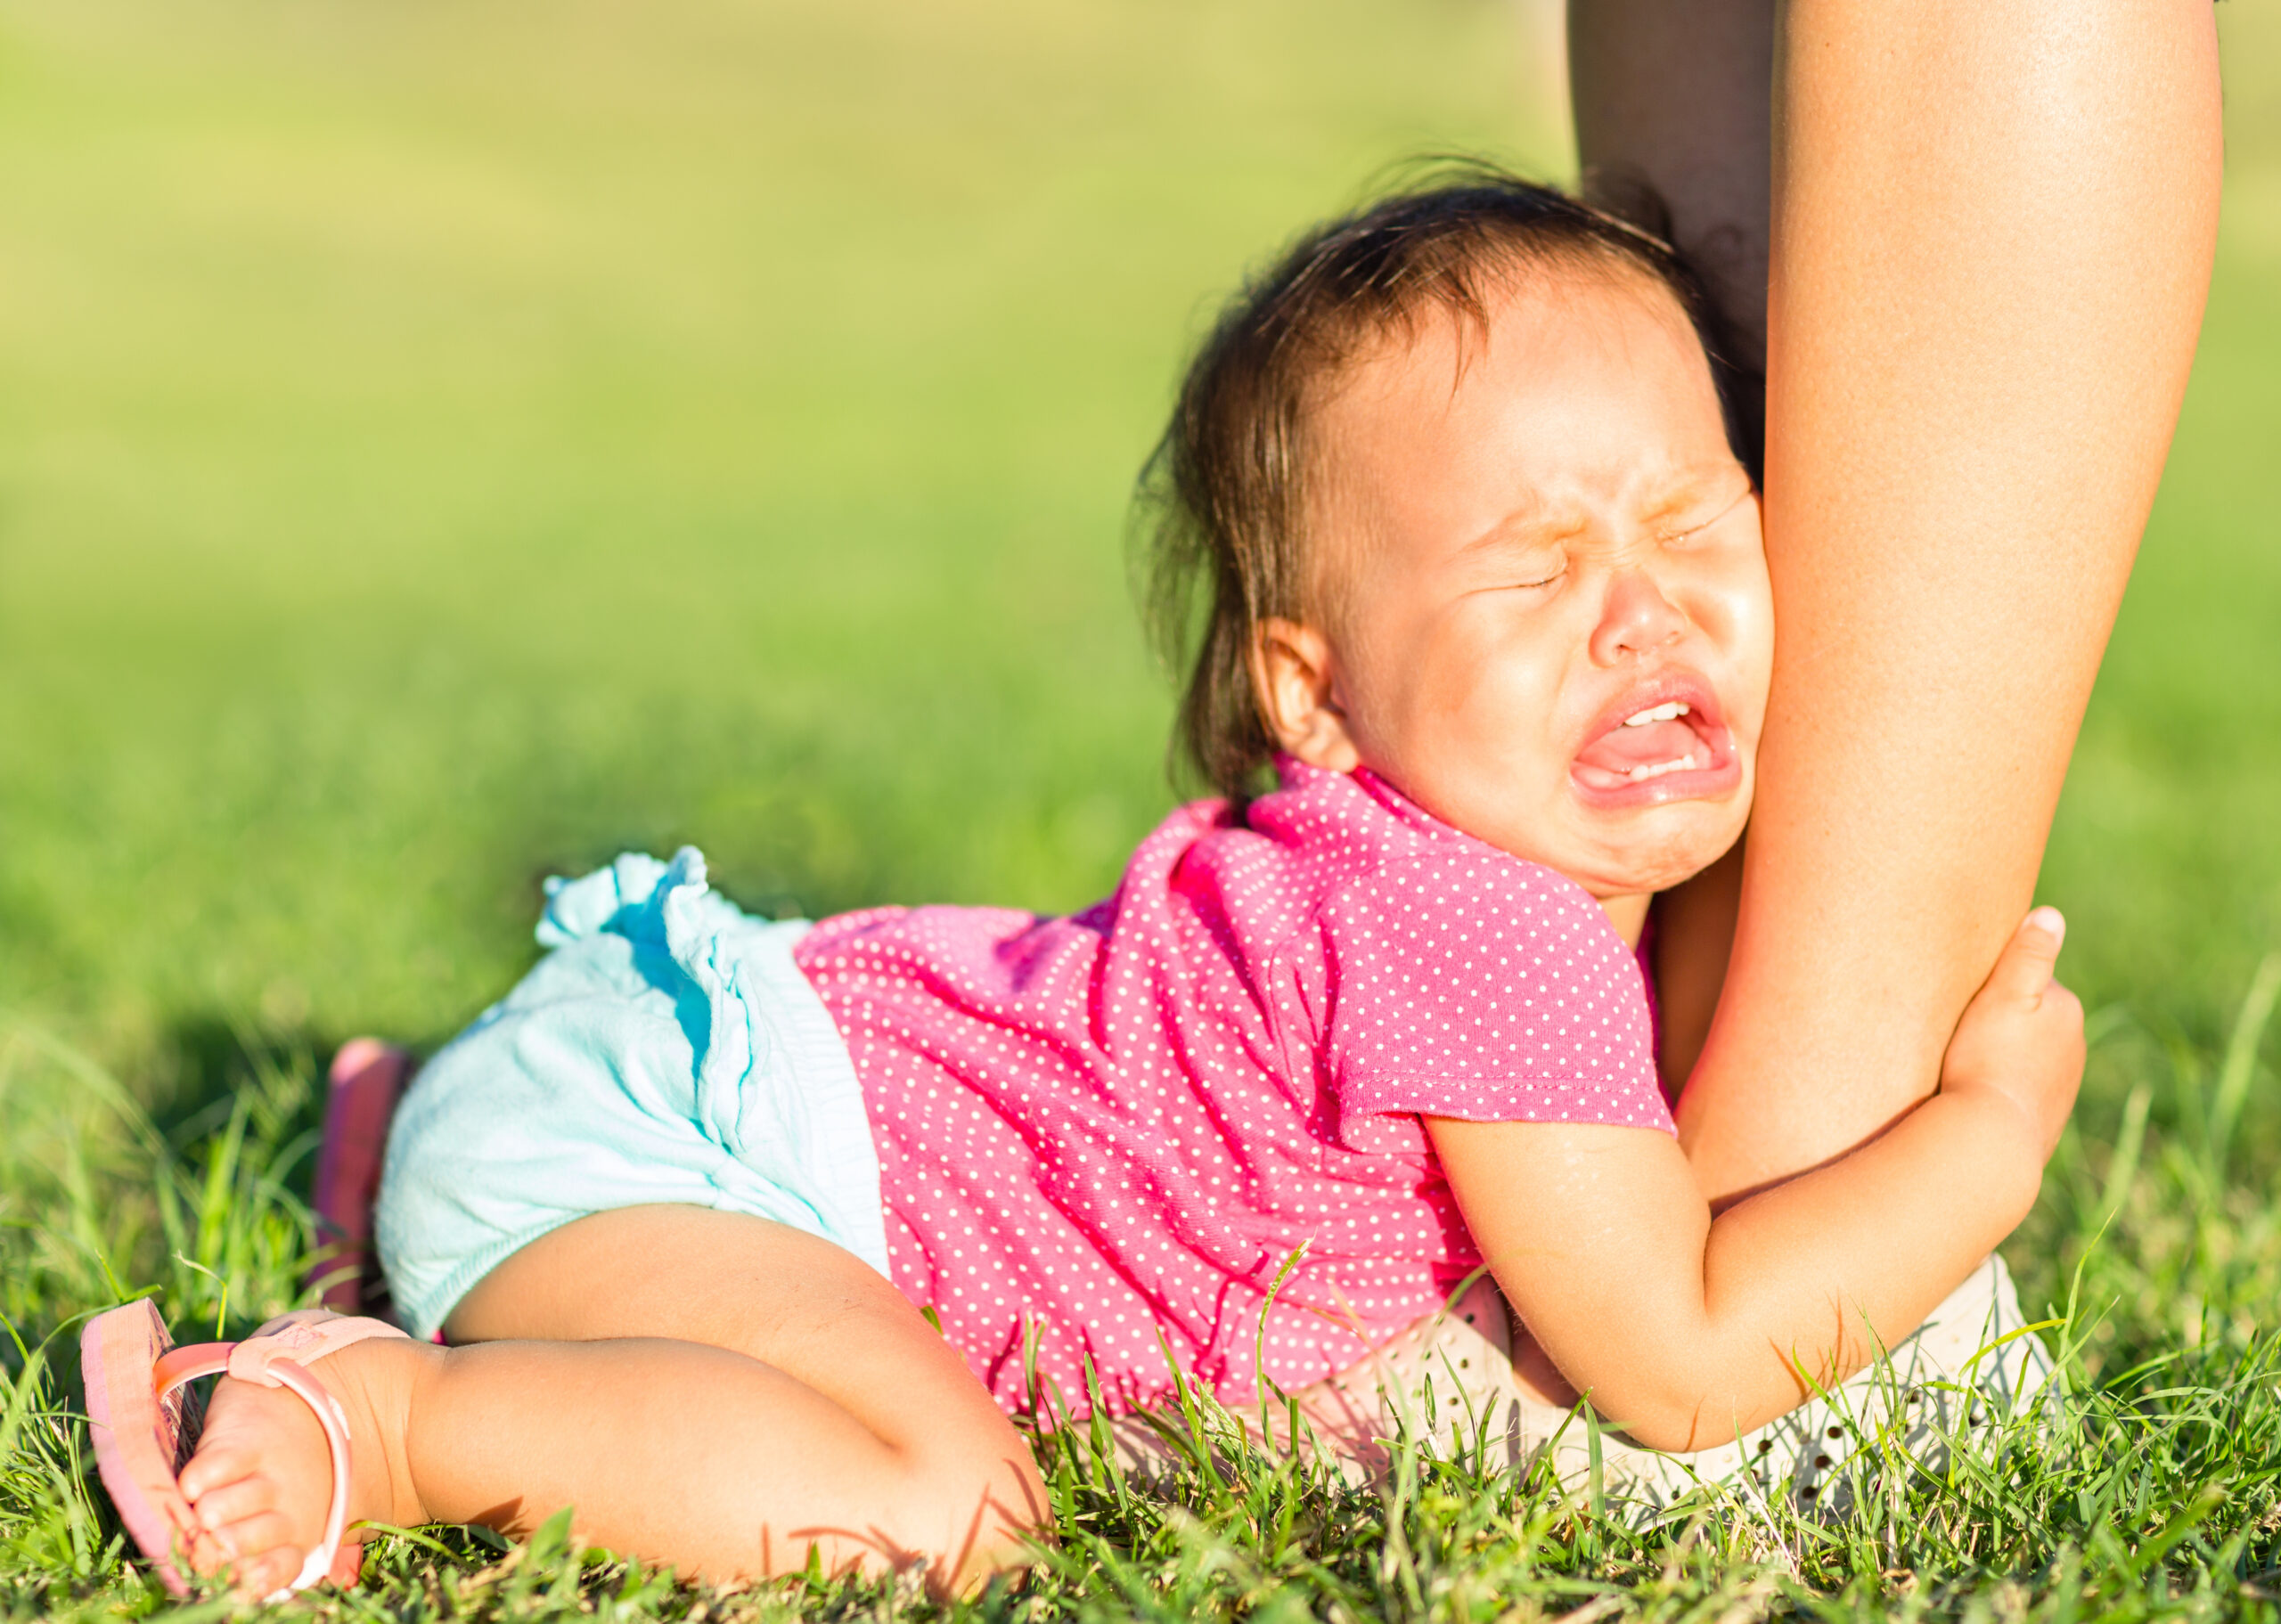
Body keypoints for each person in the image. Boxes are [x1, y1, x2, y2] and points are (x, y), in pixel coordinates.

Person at [81, 173, 2086, 1603]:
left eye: (1688, 517)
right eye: (1533, 571)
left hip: (703, 1069)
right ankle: (386, 1413)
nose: (1640, 614)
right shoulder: (1482, 930)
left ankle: (431, 1164)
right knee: (942, 1518)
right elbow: (1673, 1355)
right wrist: (1981, 1141)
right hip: (697, 1151)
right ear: (1312, 689)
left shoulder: (1436, 865)